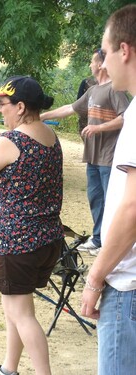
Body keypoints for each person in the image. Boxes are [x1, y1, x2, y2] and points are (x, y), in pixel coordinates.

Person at [0, 76, 63, 375]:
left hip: (16, 243)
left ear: (20, 107)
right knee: (15, 308)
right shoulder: (48, 136)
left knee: (21, 314)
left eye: (3, 104)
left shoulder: (11, 142)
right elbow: (20, 153)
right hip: (46, 239)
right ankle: (9, 369)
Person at [81, 4, 136, 375]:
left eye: (106, 49)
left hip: (126, 287)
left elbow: (132, 209)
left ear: (125, 50)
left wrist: (95, 277)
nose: (103, 60)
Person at [40, 50, 129, 255]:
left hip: (109, 157)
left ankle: (110, 245)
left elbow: (126, 117)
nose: (90, 65)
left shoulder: (115, 90)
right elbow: (68, 109)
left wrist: (98, 128)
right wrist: (41, 117)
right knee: (95, 198)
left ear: (101, 64)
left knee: (110, 201)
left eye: (92, 61)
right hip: (93, 157)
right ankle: (98, 239)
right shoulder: (92, 91)